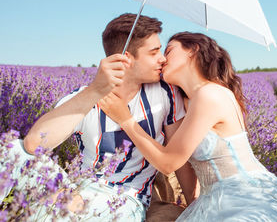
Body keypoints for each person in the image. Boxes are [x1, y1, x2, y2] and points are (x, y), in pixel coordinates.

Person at [1, 14, 197, 221]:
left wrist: (195, 206)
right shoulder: (84, 95)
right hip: (77, 186)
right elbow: (34, 144)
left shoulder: (165, 94)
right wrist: (95, 90)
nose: (162, 58)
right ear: (126, 58)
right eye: (154, 52)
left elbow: (179, 158)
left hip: (124, 199)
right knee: (13, 150)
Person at [99, 32, 277, 221]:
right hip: (214, 200)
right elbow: (182, 160)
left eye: (170, 50)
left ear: (193, 50)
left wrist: (125, 118)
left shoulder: (210, 94)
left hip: (249, 195)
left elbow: (168, 162)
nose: (163, 58)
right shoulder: (185, 102)